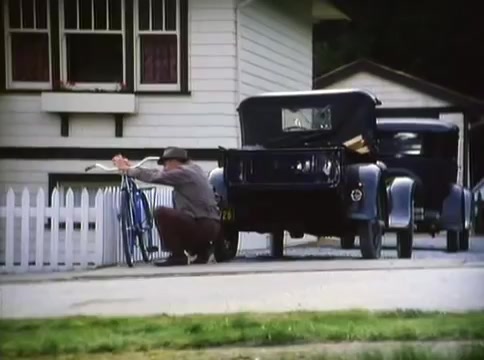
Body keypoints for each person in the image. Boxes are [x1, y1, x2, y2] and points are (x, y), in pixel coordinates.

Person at [112, 147, 221, 266]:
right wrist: (131, 167)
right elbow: (156, 172)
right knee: (180, 216)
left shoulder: (184, 172)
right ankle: (203, 251)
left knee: (161, 213)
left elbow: (156, 176)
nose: (164, 168)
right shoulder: (195, 169)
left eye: (165, 164)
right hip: (211, 225)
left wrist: (128, 170)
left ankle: (177, 256)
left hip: (202, 224)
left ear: (173, 161)